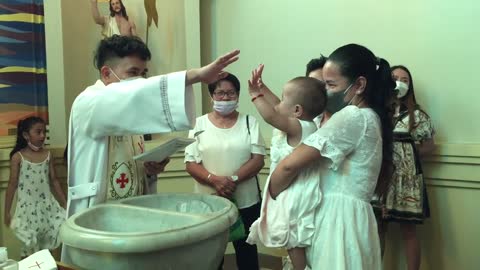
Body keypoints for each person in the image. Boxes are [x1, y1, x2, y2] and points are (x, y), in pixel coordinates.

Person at [66, 34, 239, 219]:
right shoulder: (88, 102)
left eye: (143, 73)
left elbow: (130, 167)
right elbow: (134, 94)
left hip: (132, 211)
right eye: (133, 73)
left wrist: (148, 171)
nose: (140, 81)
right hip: (99, 214)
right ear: (106, 73)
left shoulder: (131, 112)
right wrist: (195, 75)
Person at [268, 44, 395, 269]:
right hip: (350, 219)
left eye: (330, 84)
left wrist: (273, 194)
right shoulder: (369, 117)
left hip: (338, 222)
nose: (324, 92)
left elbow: (289, 166)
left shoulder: (352, 116)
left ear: (359, 85)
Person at [246, 64, 327, 270]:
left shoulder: (298, 126)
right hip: (297, 188)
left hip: (293, 191)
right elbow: (279, 107)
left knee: (293, 239)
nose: (278, 103)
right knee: (295, 238)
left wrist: (256, 96)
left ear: (297, 111)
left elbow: (272, 115)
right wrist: (263, 88)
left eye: (283, 100)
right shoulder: (306, 123)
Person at [184, 73, 266, 270]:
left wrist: (231, 180)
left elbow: (258, 160)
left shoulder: (249, 122)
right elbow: (191, 163)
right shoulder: (198, 124)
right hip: (210, 202)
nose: (226, 98)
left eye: (231, 93)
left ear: (238, 95)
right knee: (212, 254)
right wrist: (214, 180)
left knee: (247, 252)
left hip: (246, 201)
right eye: (220, 93)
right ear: (211, 96)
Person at [376, 65, 435, 270]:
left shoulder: (417, 116)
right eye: (395, 77)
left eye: (405, 79)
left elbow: (429, 146)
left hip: (406, 180)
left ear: (410, 86)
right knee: (377, 228)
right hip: (379, 178)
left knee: (408, 230)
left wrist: (405, 156)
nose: (399, 82)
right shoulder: (377, 112)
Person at [4, 117, 67, 258]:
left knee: (48, 249)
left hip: (47, 209)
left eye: (44, 132)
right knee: (29, 250)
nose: (42, 136)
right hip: (28, 211)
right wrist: (7, 212)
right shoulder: (18, 157)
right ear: (26, 135)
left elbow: (55, 181)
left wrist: (65, 203)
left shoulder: (48, 155)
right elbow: (12, 185)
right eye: (38, 132)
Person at [306, 55, 331, 127]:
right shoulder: (310, 120)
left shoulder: (348, 118)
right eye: (312, 85)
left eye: (322, 84)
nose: (316, 90)